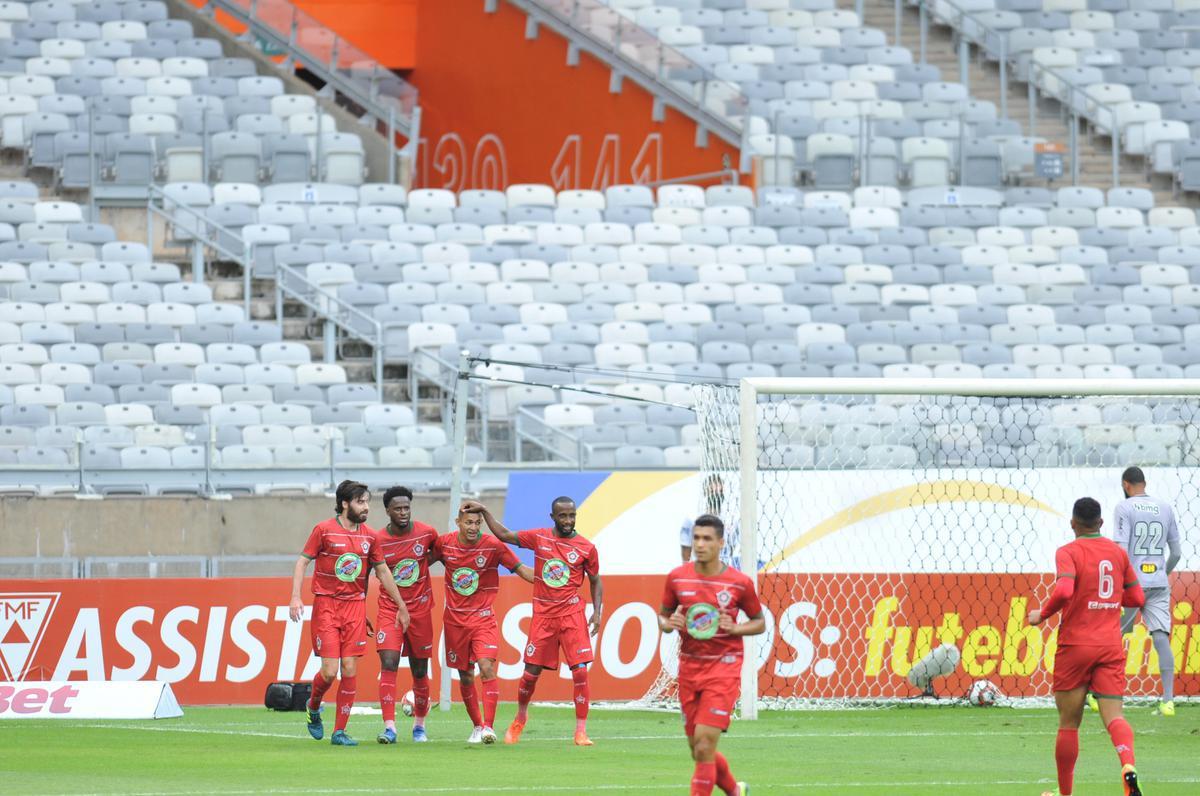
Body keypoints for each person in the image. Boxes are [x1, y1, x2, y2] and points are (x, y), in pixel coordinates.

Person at [1028, 497, 1146, 796]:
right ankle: (1128, 765)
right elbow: (1137, 599)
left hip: (1076, 645)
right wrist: (1107, 601)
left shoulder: (1068, 552)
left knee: (1069, 723)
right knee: (1115, 716)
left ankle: (1065, 794)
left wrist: (1041, 615)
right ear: (1101, 523)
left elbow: (1065, 589)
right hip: (1109, 644)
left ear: (1072, 523)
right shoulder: (1117, 554)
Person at [466, 497, 603, 746]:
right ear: (553, 517)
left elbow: (595, 580)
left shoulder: (586, 548)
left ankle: (580, 731)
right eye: (563, 516)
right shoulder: (540, 538)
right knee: (530, 675)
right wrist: (485, 511)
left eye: (572, 515)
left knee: (581, 672)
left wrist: (598, 612)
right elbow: (505, 535)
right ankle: (520, 717)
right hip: (544, 617)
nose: (568, 520)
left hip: (572, 616)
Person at [289, 480, 410, 747]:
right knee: (330, 671)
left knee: (350, 667)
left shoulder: (370, 536)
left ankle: (339, 732)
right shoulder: (324, 530)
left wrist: (401, 605)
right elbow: (302, 562)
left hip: (355, 606)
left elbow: (382, 572)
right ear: (345, 503)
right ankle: (314, 704)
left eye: (367, 502)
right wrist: (296, 597)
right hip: (327, 605)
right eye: (360, 502)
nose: (366, 507)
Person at [658, 514, 763, 796]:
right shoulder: (677, 578)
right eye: (696, 538)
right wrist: (670, 624)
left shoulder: (739, 583)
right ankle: (735, 790)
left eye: (706, 539)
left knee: (705, 745)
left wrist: (738, 627)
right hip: (689, 668)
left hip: (723, 669)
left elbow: (759, 621)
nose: (700, 544)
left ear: (720, 542)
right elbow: (663, 617)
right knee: (698, 749)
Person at [430, 503, 533, 744]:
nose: (474, 527)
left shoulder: (493, 546)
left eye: (477, 523)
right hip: (455, 621)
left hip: (483, 619)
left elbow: (520, 569)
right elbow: (422, 564)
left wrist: (549, 581)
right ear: (458, 523)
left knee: (486, 667)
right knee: (465, 676)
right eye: (469, 522)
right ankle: (477, 726)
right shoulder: (444, 544)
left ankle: (488, 727)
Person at [1112, 466, 1182, 717]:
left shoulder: (1124, 507)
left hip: (1132, 583)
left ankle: (1102, 694)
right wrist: (1162, 571)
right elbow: (1176, 552)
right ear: (1144, 482)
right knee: (1161, 637)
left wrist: (1125, 580)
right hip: (1158, 583)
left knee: (1112, 636)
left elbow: (1120, 550)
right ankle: (1168, 701)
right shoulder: (1165, 507)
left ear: (1126, 484)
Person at [372, 486, 439, 744]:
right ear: (387, 510)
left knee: (420, 670)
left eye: (406, 508)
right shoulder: (377, 540)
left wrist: (423, 564)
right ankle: (390, 728)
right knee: (388, 662)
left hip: (420, 610)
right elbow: (368, 571)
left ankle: (419, 726)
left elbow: (441, 552)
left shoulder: (426, 533)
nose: (403, 512)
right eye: (398, 508)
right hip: (390, 609)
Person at [680, 475, 726, 564]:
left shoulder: (731, 519)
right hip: (700, 567)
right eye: (712, 491)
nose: (716, 493)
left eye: (720, 491)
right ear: (706, 493)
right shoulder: (691, 519)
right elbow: (686, 546)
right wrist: (686, 568)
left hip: (723, 569)